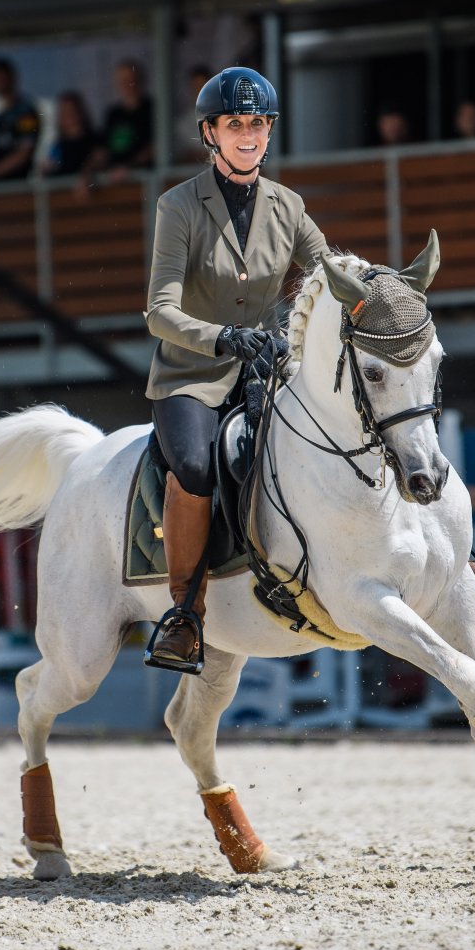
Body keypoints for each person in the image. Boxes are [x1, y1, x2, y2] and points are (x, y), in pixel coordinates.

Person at [140, 66, 330, 673]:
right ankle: (184, 614)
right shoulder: (178, 206)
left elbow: (330, 271)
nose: (247, 134)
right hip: (190, 376)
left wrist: (377, 296)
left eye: (257, 124)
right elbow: (160, 311)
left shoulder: (289, 206)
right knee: (195, 467)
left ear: (268, 132)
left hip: (265, 373)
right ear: (210, 133)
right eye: (234, 124)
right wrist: (224, 336)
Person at [88, 59, 154, 178]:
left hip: (145, 182)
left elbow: (155, 148)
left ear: (141, 81)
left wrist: (128, 167)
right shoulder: (112, 114)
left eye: (132, 79)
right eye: (123, 81)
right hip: (115, 185)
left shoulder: (153, 110)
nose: (128, 84)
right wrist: (87, 174)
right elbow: (101, 152)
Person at [42, 91, 99, 178]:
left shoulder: (95, 140)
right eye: (64, 112)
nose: (69, 116)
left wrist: (87, 174)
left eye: (72, 110)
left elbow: (100, 159)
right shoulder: (58, 146)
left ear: (80, 112)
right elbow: (48, 167)